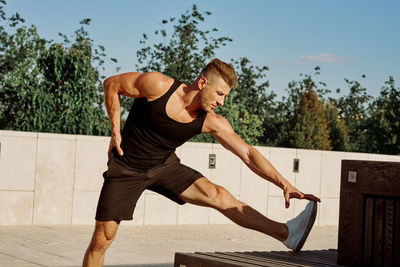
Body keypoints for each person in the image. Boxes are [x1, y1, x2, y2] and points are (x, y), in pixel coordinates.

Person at [83, 58, 321, 266]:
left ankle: (287, 233)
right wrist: (116, 132)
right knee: (102, 239)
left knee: (219, 195)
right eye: (220, 94)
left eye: (225, 97)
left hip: (165, 167)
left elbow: (248, 154)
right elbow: (112, 85)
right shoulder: (158, 86)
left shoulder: (210, 121)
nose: (222, 102)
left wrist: (284, 184)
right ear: (203, 83)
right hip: (127, 167)